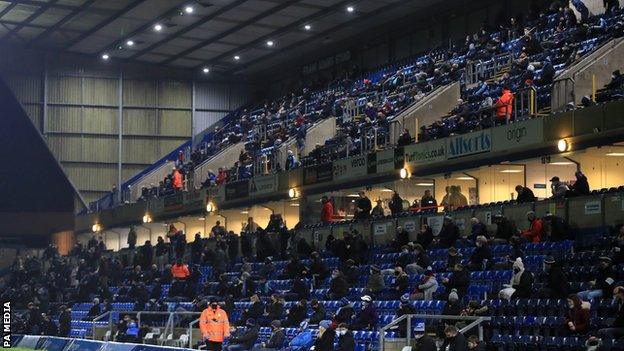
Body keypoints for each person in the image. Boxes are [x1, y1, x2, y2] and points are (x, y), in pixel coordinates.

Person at [598, 286, 624, 351]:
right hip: (619, 326)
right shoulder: (618, 302)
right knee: (600, 331)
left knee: (607, 331)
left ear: (621, 293)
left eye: (615, 294)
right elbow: (613, 312)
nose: (614, 296)